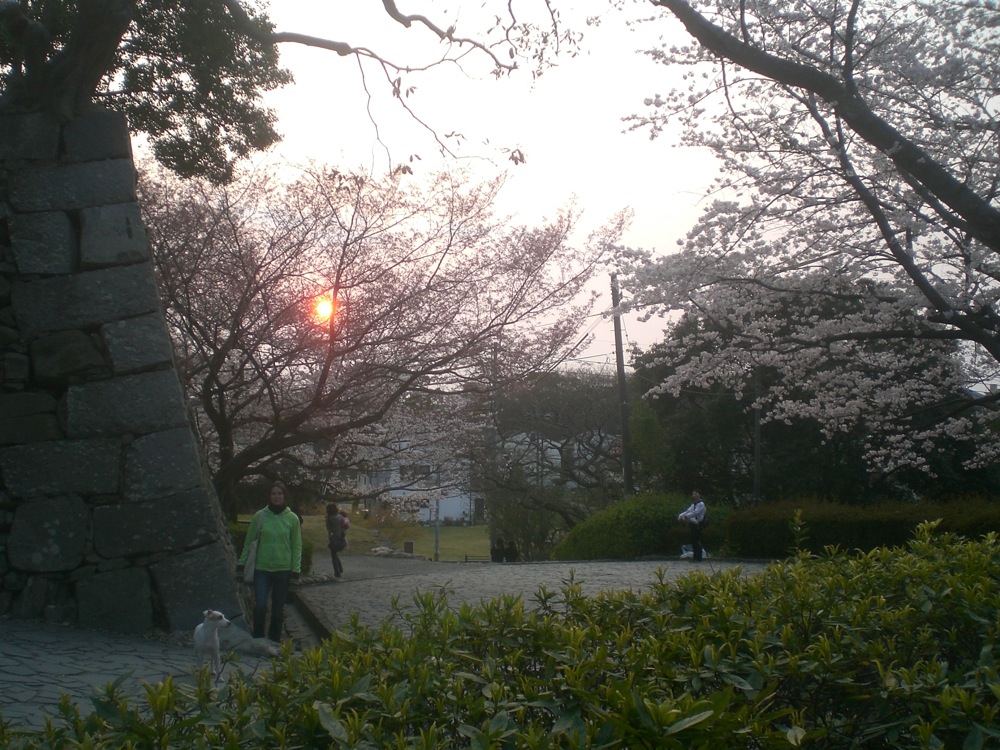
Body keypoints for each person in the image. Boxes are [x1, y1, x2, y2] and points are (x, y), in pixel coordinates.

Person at [237, 480, 302, 642]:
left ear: (284, 496)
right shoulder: (260, 516)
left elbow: (296, 546)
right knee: (260, 606)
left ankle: (274, 640)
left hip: (283, 569)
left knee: (278, 609)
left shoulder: (292, 519)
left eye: (279, 493)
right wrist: (241, 564)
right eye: (273, 493)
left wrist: (296, 570)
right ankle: (258, 638)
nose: (276, 496)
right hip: (262, 569)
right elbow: (249, 543)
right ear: (269, 496)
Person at [678, 490, 707, 562]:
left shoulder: (701, 504)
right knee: (693, 540)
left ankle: (698, 557)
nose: (694, 495)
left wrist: (686, 517)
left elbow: (696, 513)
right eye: (693, 494)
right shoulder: (694, 504)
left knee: (697, 541)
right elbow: (688, 511)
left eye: (696, 493)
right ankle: (695, 557)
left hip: (698, 524)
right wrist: (681, 515)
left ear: (699, 495)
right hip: (693, 523)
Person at [325, 502, 347, 578]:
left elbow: (328, 528)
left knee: (333, 555)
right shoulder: (340, 517)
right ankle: (340, 568)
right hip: (341, 537)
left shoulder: (329, 518)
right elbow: (345, 526)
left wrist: (329, 537)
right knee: (335, 553)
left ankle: (337, 571)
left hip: (334, 538)